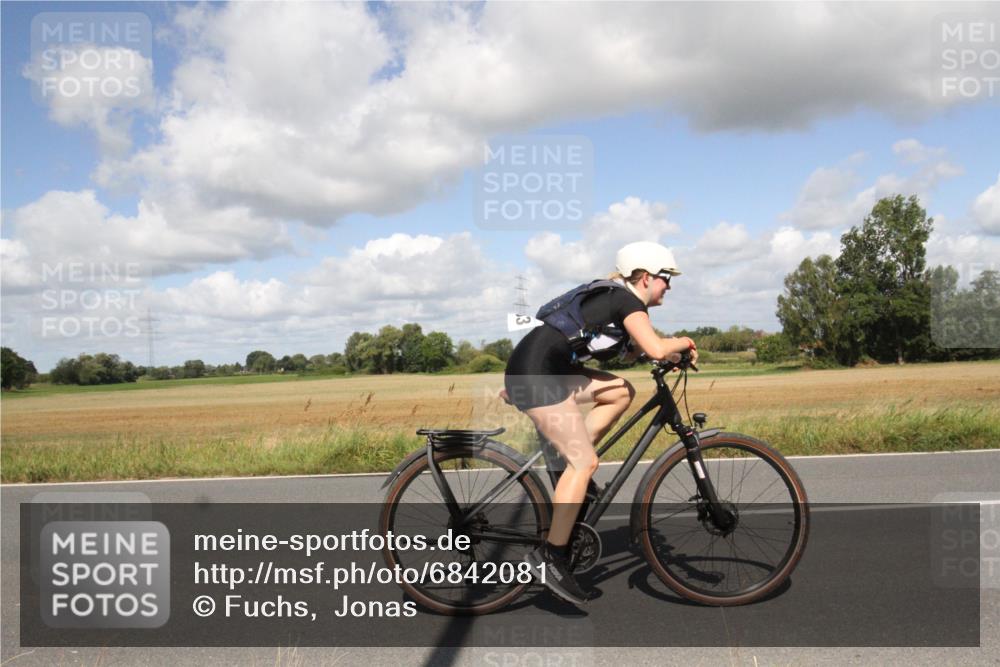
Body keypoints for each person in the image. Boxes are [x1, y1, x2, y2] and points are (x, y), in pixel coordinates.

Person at [504, 241, 699, 604]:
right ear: (643, 278)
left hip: (540, 370)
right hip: (537, 376)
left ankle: (566, 469)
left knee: (620, 391)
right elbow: (655, 347)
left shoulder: (618, 301)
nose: (669, 286)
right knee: (585, 462)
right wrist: (684, 342)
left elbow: (640, 350)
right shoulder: (626, 302)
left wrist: (672, 353)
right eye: (665, 278)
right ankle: (551, 557)